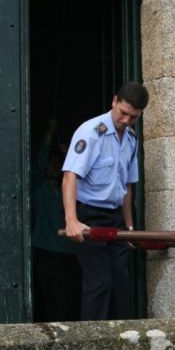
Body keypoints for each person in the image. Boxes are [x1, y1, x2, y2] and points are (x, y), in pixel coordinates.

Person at [62, 82, 149, 321]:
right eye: (122, 113)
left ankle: (121, 339)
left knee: (121, 284)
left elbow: (127, 186)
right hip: (88, 215)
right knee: (99, 282)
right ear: (114, 101)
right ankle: (91, 345)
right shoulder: (91, 132)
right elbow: (70, 175)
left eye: (133, 117)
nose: (125, 120)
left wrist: (130, 228)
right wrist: (72, 220)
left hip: (115, 218)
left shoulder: (131, 139)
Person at [31, 117, 81, 322]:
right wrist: (50, 131)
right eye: (50, 163)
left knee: (71, 298)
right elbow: (39, 162)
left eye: (56, 163)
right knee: (51, 299)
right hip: (45, 250)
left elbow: (77, 170)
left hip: (70, 252)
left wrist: (66, 153)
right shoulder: (38, 187)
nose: (52, 166)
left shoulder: (70, 191)